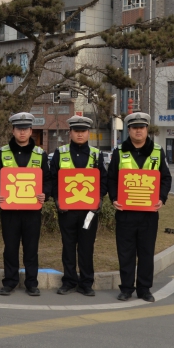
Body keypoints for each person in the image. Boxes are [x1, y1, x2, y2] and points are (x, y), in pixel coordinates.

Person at [107, 112, 172, 302]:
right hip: (125, 212)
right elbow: (111, 179)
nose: (138, 131)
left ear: (147, 130)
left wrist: (162, 198)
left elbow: (166, 178)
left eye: (141, 127)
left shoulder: (158, 151)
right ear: (129, 130)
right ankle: (126, 288)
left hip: (148, 213)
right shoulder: (119, 152)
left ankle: (144, 289)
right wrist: (114, 198)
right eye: (134, 128)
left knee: (146, 252)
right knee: (125, 253)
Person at [0, 112, 51, 296]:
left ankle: (31, 283)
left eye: (26, 129)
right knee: (10, 248)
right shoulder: (3, 152)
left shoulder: (40, 154)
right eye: (19, 129)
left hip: (32, 211)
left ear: (31, 131)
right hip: (9, 210)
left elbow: (48, 180)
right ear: (13, 130)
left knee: (31, 248)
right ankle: (9, 282)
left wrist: (45, 194)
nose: (22, 132)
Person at [49, 115, 107, 297]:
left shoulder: (96, 154)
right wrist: (57, 199)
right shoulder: (60, 153)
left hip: (89, 212)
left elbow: (104, 180)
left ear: (88, 133)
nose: (80, 134)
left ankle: (86, 283)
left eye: (83, 131)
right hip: (67, 210)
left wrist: (99, 198)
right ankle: (69, 281)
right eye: (76, 131)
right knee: (68, 247)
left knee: (86, 247)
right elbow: (52, 179)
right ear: (70, 133)